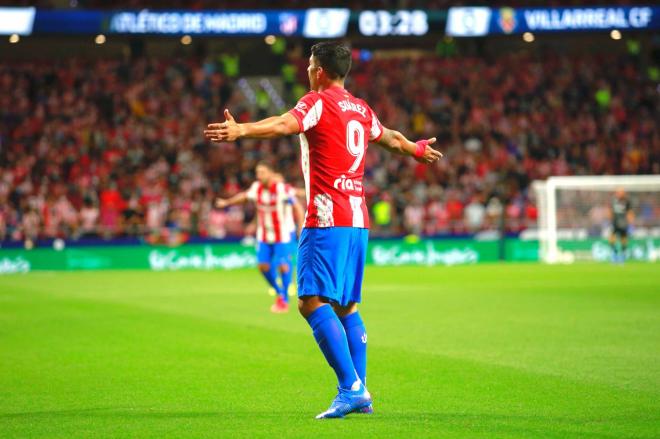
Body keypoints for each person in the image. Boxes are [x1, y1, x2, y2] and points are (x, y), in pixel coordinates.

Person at [205, 41, 442, 418]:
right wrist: (416, 150)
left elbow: (285, 124)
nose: (307, 69)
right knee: (347, 306)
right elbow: (393, 138)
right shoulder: (361, 109)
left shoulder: (316, 101)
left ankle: (350, 389)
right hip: (357, 218)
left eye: (309, 64)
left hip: (326, 217)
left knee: (311, 301)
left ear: (318, 70)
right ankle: (360, 392)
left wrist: (242, 130)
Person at [215, 162, 301, 313]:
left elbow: (298, 207)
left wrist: (301, 227)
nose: (259, 176)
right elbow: (244, 197)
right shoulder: (257, 188)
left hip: (282, 235)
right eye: (257, 173)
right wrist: (227, 202)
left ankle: (283, 299)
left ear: (270, 173)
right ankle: (279, 290)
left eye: (262, 172)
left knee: (283, 266)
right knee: (263, 266)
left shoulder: (281, 189)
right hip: (264, 235)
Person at [609, 188, 634, 263]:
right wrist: (609, 220)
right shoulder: (613, 200)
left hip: (624, 223)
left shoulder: (627, 201)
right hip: (615, 223)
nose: (619, 194)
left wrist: (630, 224)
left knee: (624, 240)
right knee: (611, 239)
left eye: (621, 192)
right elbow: (610, 211)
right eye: (618, 192)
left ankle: (623, 255)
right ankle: (614, 254)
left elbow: (630, 213)